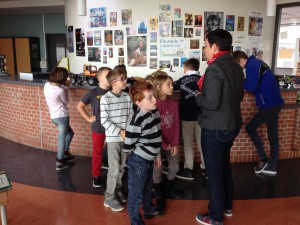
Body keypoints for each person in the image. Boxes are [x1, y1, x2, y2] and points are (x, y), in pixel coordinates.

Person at [195, 29, 244, 225]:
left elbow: (211, 102)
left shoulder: (214, 69)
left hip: (215, 128)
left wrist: (198, 97)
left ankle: (215, 216)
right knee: (224, 167)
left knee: (214, 173)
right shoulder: (236, 66)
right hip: (231, 126)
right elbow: (239, 97)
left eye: (206, 45)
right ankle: (227, 206)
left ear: (214, 47)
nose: (204, 49)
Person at [232, 50, 284, 175]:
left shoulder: (252, 66)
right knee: (250, 128)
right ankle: (264, 159)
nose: (239, 68)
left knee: (272, 135)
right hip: (270, 103)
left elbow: (251, 87)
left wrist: (240, 80)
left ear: (242, 60)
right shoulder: (256, 63)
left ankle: (272, 166)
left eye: (238, 65)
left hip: (270, 104)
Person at [123, 80, 163, 225]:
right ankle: (135, 221)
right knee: (136, 194)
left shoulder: (155, 113)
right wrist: (131, 155)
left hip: (149, 159)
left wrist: (156, 154)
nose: (155, 99)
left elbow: (157, 135)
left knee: (148, 188)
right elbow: (128, 144)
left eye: (154, 96)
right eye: (150, 97)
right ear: (139, 102)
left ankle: (149, 209)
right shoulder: (137, 120)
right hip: (138, 161)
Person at [100, 68, 133, 212]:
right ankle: (109, 197)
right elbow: (104, 121)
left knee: (121, 166)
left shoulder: (127, 97)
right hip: (113, 139)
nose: (126, 81)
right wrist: (120, 131)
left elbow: (131, 115)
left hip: (125, 138)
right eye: (123, 79)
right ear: (113, 82)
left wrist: (128, 131)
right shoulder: (105, 99)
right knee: (113, 168)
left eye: (125, 78)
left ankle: (117, 189)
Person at [77, 67, 111, 188]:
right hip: (98, 127)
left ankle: (113, 173)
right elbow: (79, 106)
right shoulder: (93, 92)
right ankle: (96, 175)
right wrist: (88, 118)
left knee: (114, 151)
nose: (110, 78)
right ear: (99, 77)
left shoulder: (114, 91)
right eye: (107, 75)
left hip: (112, 127)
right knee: (97, 152)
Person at [152, 73, 180, 212]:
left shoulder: (173, 103)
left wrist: (174, 144)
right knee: (157, 168)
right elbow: (154, 128)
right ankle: (158, 194)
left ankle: (168, 189)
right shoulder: (154, 104)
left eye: (172, 83)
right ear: (158, 86)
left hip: (171, 143)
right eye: (168, 84)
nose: (172, 86)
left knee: (174, 167)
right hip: (157, 145)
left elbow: (176, 125)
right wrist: (163, 144)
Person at [173, 58, 204, 181]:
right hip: (202, 117)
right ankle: (206, 168)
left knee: (188, 145)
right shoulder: (204, 79)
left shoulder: (182, 80)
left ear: (186, 68)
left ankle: (189, 170)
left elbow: (172, 85)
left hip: (187, 117)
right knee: (203, 144)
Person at [44, 67, 75, 171]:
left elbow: (59, 86)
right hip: (62, 116)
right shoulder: (60, 90)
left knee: (70, 134)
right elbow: (66, 102)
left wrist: (65, 86)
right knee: (62, 138)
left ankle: (65, 153)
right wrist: (68, 86)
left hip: (54, 117)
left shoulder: (47, 85)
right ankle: (60, 161)